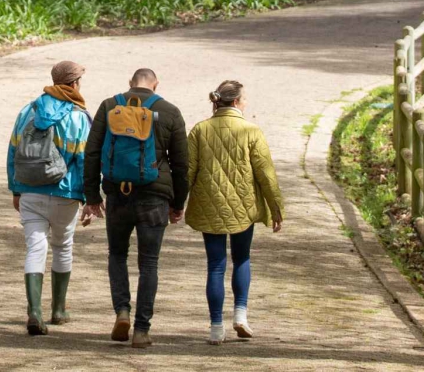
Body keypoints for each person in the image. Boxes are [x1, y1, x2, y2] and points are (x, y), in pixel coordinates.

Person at [83, 67, 189, 349]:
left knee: (117, 254)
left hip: (117, 195)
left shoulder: (109, 106)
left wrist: (92, 196)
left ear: (130, 83)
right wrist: (178, 203)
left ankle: (122, 311)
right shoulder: (169, 111)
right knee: (149, 263)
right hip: (154, 197)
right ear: (156, 85)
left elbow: (92, 152)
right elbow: (181, 164)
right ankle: (142, 329)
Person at [185, 79, 283, 344]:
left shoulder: (200, 130)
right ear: (237, 101)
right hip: (243, 206)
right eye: (245, 98)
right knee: (242, 258)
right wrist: (276, 207)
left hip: (209, 204)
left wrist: (176, 203)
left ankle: (216, 326)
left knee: (215, 265)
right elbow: (265, 173)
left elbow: (188, 171)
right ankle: (240, 314)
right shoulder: (251, 130)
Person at [7, 60, 93, 336]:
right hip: (65, 192)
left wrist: (16, 189)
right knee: (63, 246)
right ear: (75, 83)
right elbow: (85, 160)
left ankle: (34, 311)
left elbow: (13, 151)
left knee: (35, 248)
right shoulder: (79, 116)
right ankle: (59, 309)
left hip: (30, 189)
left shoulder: (28, 110)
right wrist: (89, 196)